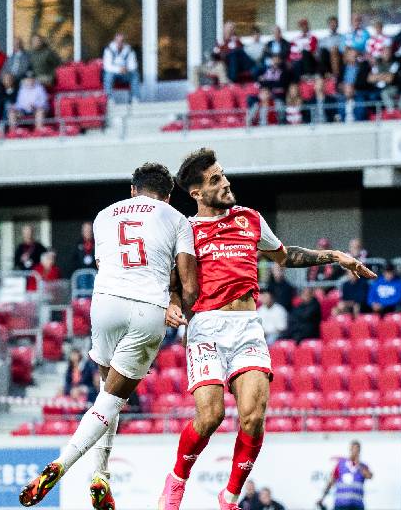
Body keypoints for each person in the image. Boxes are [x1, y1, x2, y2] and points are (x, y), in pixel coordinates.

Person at [160, 148, 374, 510]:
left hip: (246, 326)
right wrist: (171, 303)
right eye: (215, 180)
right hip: (206, 327)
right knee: (210, 416)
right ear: (196, 193)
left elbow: (285, 255)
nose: (226, 183)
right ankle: (177, 480)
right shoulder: (186, 229)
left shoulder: (250, 219)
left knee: (254, 417)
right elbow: (173, 282)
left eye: (223, 174)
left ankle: (229, 496)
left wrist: (335, 256)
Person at [19, 163, 198, 510]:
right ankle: (63, 464)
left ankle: (100, 474)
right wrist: (184, 311)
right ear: (169, 194)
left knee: (106, 393)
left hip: (105, 305)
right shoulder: (177, 219)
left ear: (133, 190)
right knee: (113, 399)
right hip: (147, 309)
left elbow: (107, 264)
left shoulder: (103, 216)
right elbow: (189, 285)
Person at [318, 440, 373, 510]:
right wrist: (322, 498)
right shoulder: (341, 464)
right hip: (341, 504)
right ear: (350, 449)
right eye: (354, 449)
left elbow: (369, 476)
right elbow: (331, 482)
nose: (355, 451)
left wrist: (358, 464)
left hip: (357, 505)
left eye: (357, 449)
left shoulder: (363, 466)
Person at [102, 33, 141, 103]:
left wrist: (126, 69)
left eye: (121, 41)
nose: (119, 43)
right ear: (114, 41)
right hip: (113, 74)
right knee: (108, 74)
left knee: (134, 74)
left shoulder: (129, 50)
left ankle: (135, 98)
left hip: (125, 73)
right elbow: (107, 66)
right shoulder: (108, 50)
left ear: (124, 42)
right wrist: (119, 69)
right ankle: (109, 99)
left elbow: (133, 65)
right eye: (117, 41)